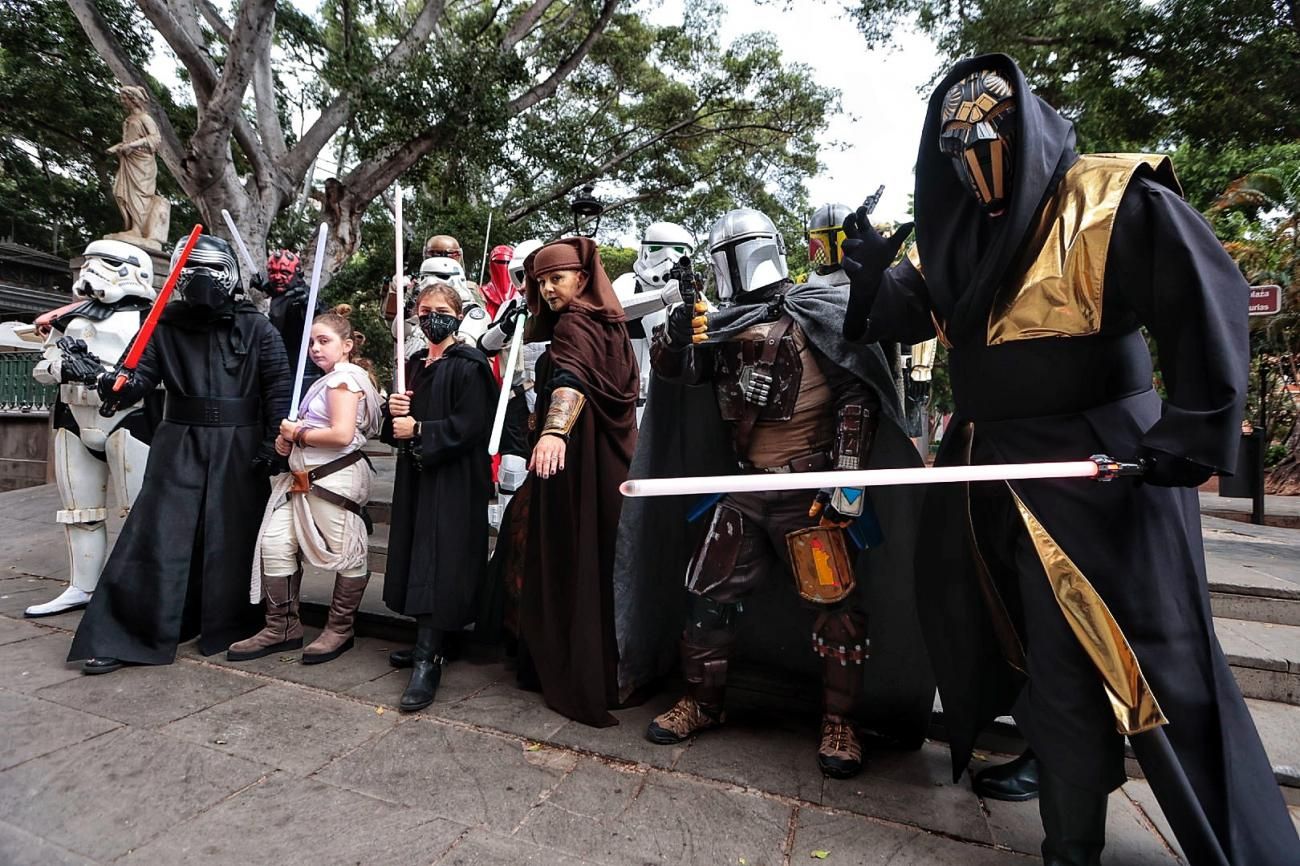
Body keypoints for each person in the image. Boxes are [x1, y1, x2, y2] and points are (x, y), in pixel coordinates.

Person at [840, 54, 1299, 863]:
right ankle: (1053, 760)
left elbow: (1206, 295)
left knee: (1117, 656)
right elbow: (900, 317)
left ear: (1029, 130)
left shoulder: (1111, 199)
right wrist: (870, 278)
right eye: (955, 146)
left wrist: (1189, 436)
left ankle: (1082, 839)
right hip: (986, 474)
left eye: (990, 137)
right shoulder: (952, 231)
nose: (974, 159)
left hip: (1095, 477)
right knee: (1005, 632)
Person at [629, 208, 931, 778]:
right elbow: (682, 373)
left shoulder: (816, 310)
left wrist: (846, 474)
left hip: (808, 495)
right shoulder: (720, 320)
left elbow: (854, 393)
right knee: (707, 597)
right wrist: (675, 335)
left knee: (836, 612)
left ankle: (840, 722)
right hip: (743, 487)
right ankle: (704, 702)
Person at [67, 234, 291, 674]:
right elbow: (136, 380)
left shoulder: (257, 326)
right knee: (156, 534)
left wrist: (273, 446)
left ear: (229, 275)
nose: (201, 280)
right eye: (192, 270)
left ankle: (229, 623)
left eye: (211, 269)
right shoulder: (162, 323)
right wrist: (102, 378)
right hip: (179, 442)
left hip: (239, 444)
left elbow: (278, 387)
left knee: (232, 535)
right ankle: (128, 633)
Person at [514, 237, 639, 727]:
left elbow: (571, 378)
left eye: (556, 278)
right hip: (610, 462)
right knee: (603, 561)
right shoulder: (612, 326)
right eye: (541, 281)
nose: (547, 289)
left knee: (574, 558)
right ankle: (609, 672)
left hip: (576, 463)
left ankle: (573, 669)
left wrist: (552, 433)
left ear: (583, 280)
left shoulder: (573, 324)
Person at [228, 305, 381, 664]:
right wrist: (289, 442)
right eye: (311, 341)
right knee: (275, 543)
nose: (315, 347)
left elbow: (342, 435)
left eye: (324, 340)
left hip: (334, 479)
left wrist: (299, 433)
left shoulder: (346, 378)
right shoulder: (323, 381)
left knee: (345, 551)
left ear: (346, 345)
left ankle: (340, 628)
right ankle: (281, 627)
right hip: (301, 480)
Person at [26, 240, 162, 618]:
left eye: (105, 262)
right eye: (89, 262)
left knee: (139, 513)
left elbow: (154, 375)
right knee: (79, 512)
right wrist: (62, 368)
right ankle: (81, 586)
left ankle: (140, 592)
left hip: (128, 419)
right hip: (73, 416)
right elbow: (42, 367)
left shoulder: (149, 320)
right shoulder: (70, 318)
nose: (92, 269)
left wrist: (102, 373)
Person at [381, 283, 496, 711]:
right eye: (425, 309)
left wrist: (423, 431)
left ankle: (429, 658)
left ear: (459, 314)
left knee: (439, 556)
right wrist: (394, 414)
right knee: (416, 552)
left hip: (453, 477)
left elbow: (472, 424)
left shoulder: (470, 365)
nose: (433, 317)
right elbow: (394, 429)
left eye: (441, 310)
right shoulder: (410, 364)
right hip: (416, 475)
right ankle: (425, 642)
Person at [261, 249, 322, 392]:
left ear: (297, 274)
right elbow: (278, 294)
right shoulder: (280, 293)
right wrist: (264, 286)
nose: (277, 277)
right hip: (275, 365)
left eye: (285, 273)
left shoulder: (302, 297)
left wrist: (312, 307)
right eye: (272, 272)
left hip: (299, 371)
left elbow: (320, 319)